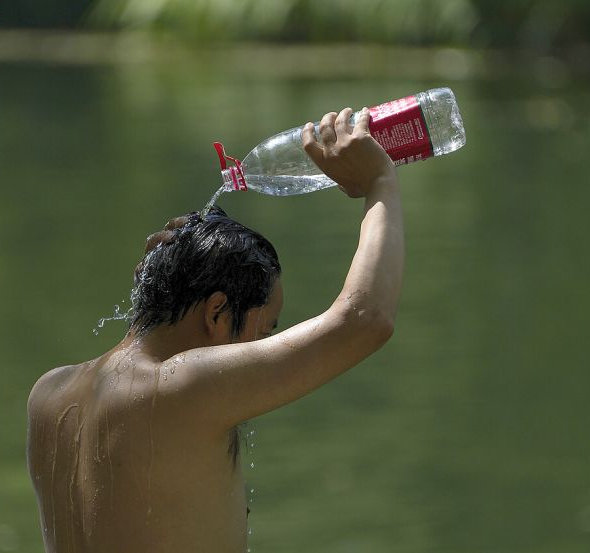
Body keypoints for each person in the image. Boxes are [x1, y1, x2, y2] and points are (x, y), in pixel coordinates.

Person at [27, 106, 404, 553]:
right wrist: (381, 184)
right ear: (218, 313)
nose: (264, 348)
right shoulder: (181, 387)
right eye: (265, 331)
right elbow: (364, 320)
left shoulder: (49, 395)